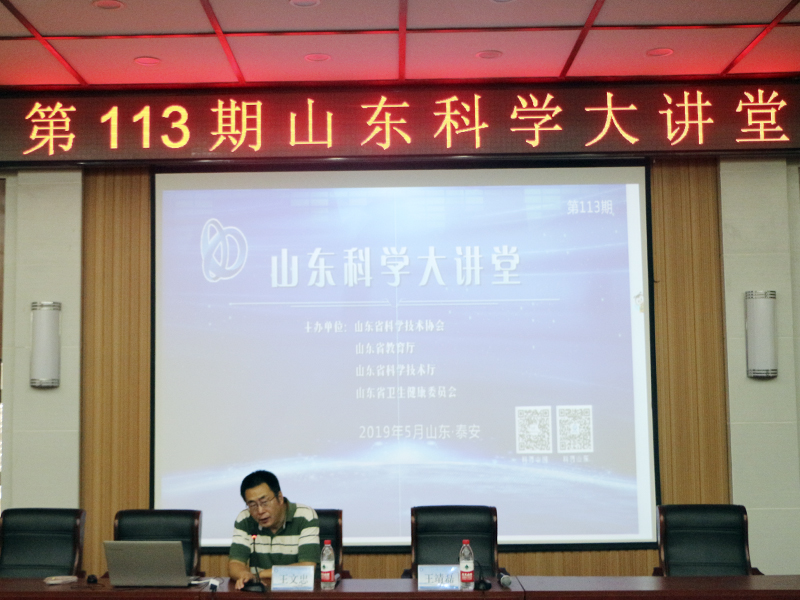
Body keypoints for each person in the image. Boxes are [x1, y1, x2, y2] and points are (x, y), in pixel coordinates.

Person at [228, 470, 320, 590]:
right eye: (253, 505)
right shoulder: (245, 519)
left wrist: (260, 574)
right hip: (261, 592)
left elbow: (307, 567)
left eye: (264, 502)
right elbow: (235, 563)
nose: (260, 511)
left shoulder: (305, 516)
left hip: (298, 592)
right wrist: (245, 575)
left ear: (280, 498)